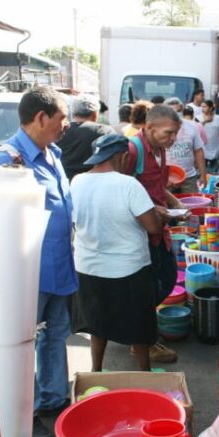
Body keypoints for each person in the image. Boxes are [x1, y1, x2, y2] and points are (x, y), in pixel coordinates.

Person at [0, 86, 76, 437]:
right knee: (21, 344)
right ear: (41, 118)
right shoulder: (7, 161)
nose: (66, 125)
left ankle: (52, 402)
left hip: (58, 267)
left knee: (55, 336)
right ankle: (26, 410)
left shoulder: (51, 153)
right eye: (62, 118)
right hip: (27, 273)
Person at [71, 134, 162, 372]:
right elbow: (152, 226)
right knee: (139, 329)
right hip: (128, 269)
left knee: (97, 324)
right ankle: (145, 374)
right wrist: (160, 215)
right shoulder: (128, 185)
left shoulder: (76, 181)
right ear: (122, 156)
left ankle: (96, 370)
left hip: (88, 266)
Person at [128, 105, 190, 363]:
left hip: (159, 228)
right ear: (149, 127)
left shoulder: (160, 150)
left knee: (165, 278)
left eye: (175, 133)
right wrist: (152, 208)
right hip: (138, 232)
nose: (173, 139)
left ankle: (138, 332)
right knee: (146, 288)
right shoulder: (133, 150)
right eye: (168, 133)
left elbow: (156, 186)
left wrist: (174, 202)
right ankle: (142, 341)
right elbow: (121, 190)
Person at [57, 94, 113, 181]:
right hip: (95, 184)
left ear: (73, 113)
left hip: (65, 183)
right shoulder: (104, 131)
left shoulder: (59, 130)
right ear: (95, 114)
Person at [163, 97, 207, 193]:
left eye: (178, 111)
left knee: (190, 204)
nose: (176, 114)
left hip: (189, 178)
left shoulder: (192, 126)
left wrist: (203, 175)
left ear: (182, 110)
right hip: (167, 178)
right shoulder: (161, 128)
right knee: (167, 206)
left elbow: (199, 151)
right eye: (172, 111)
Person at [197, 100, 219, 173]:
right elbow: (196, 131)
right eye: (202, 107)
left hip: (217, 150)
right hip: (203, 150)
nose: (202, 108)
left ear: (210, 108)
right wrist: (205, 121)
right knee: (203, 171)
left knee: (216, 171)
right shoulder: (198, 118)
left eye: (205, 106)